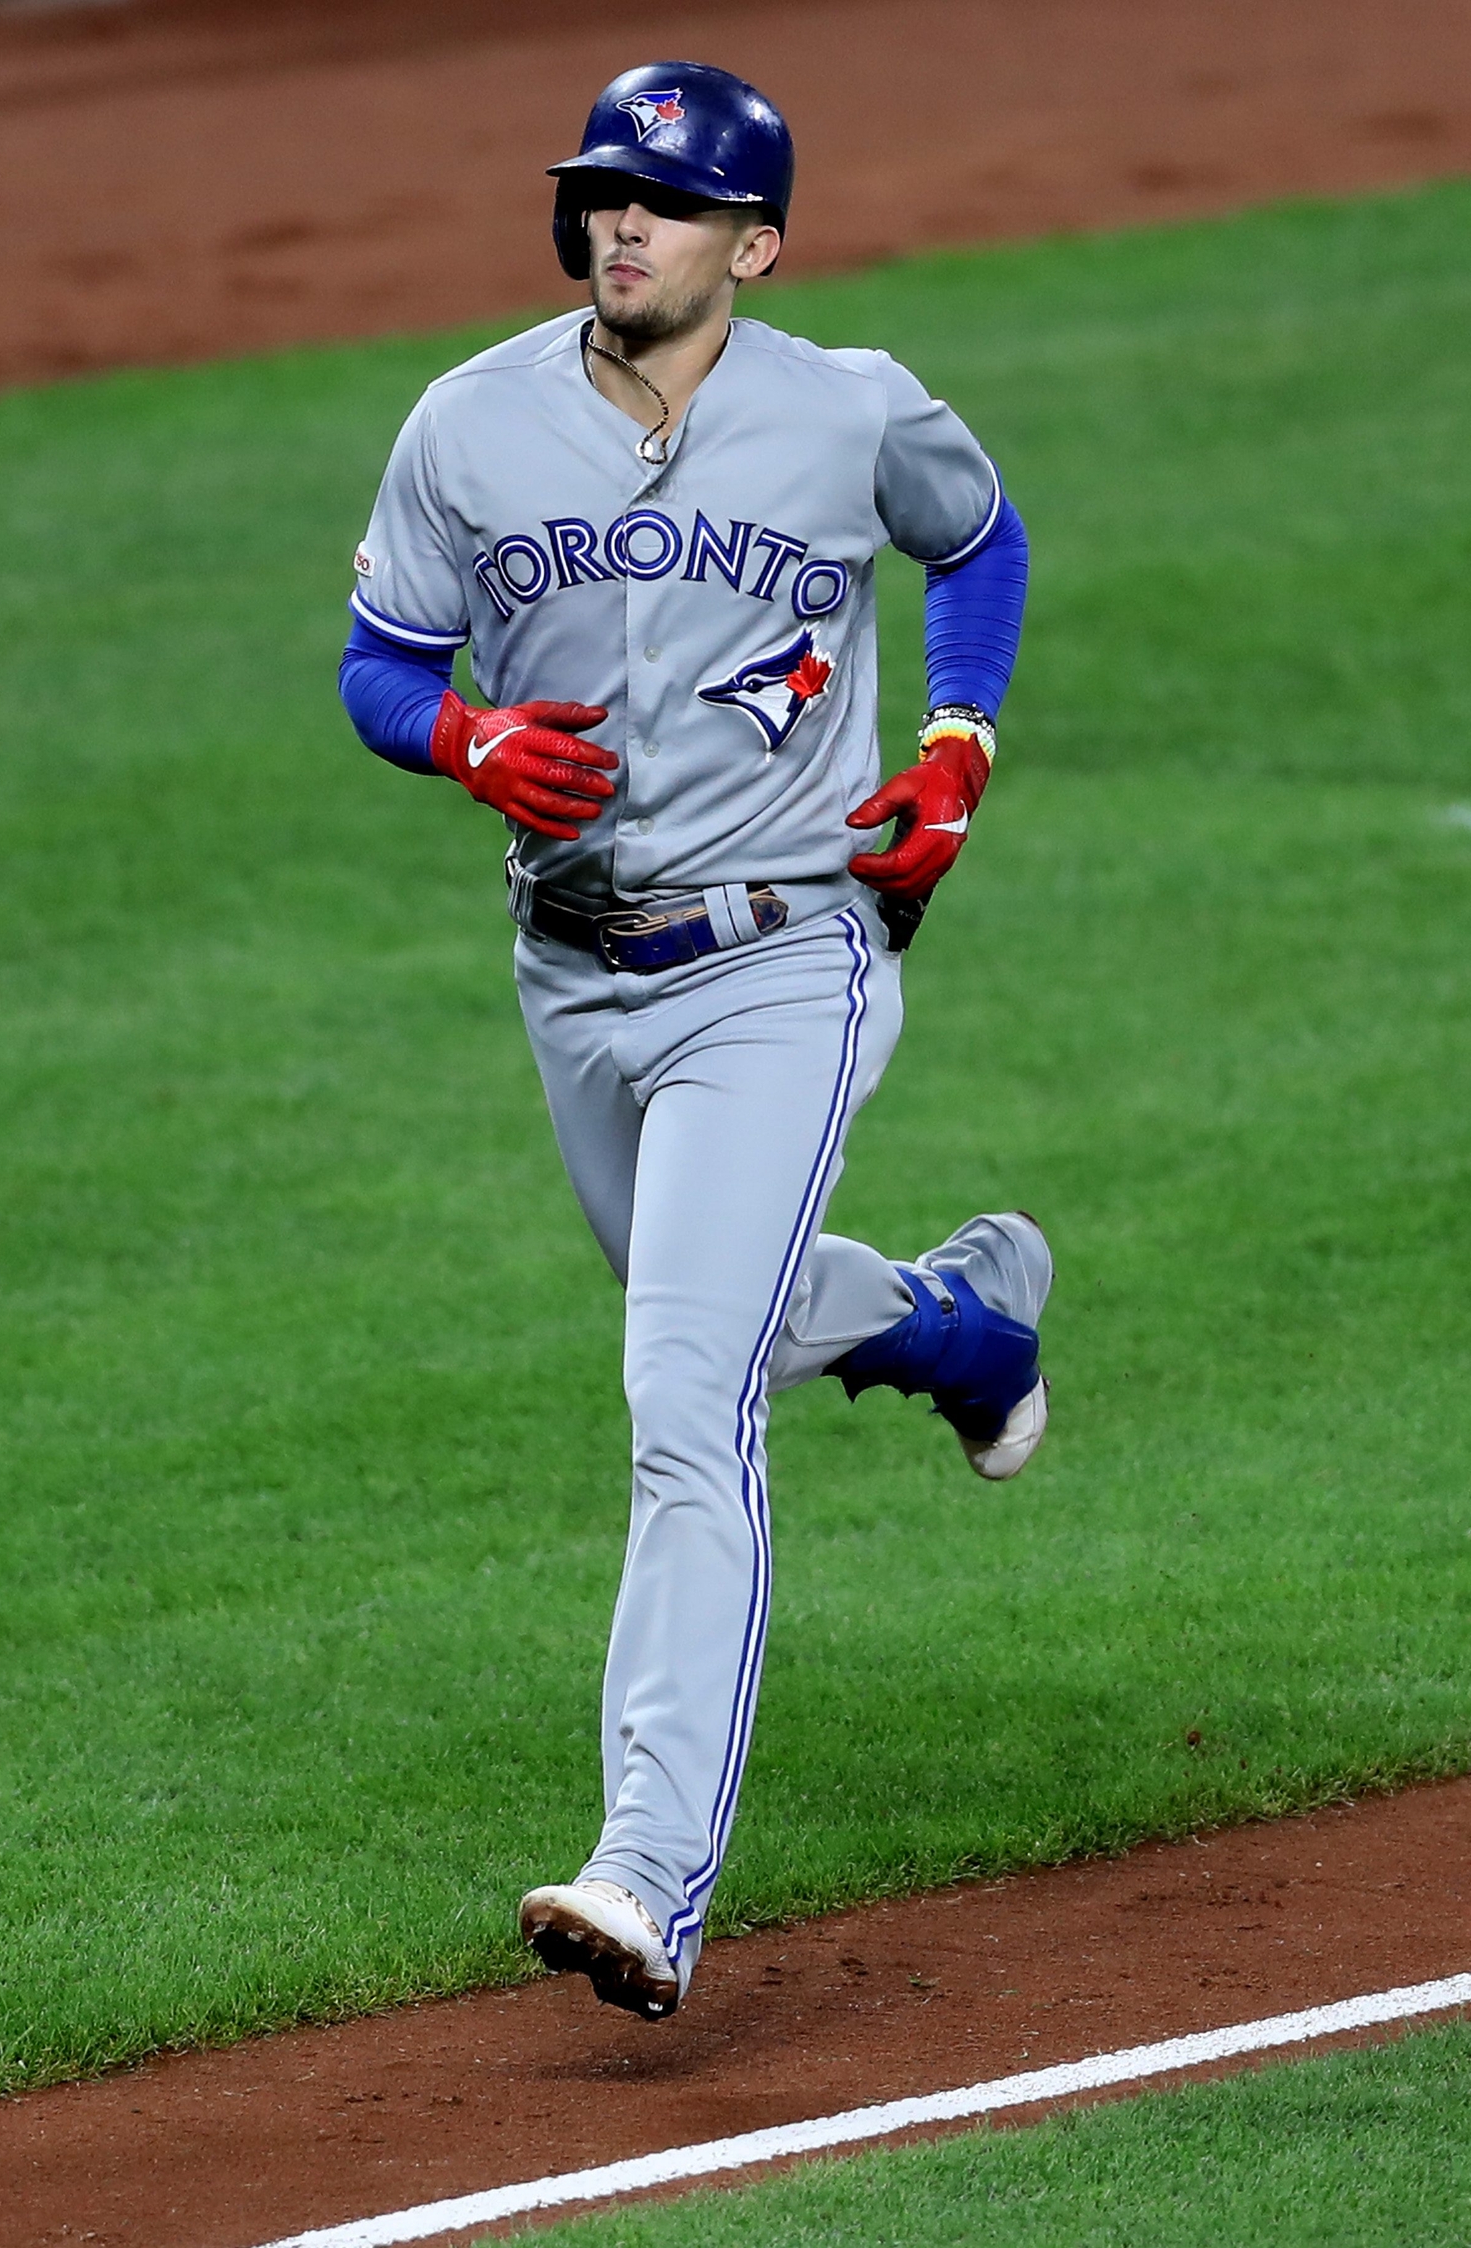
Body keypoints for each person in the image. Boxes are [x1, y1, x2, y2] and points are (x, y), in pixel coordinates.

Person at [337, 60, 1046, 2022]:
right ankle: (957, 1322)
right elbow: (381, 662)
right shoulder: (467, 426)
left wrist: (958, 741)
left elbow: (975, 539)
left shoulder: (847, 409)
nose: (616, 226)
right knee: (697, 1297)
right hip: (570, 971)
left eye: (659, 202)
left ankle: (649, 1866)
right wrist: (462, 736)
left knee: (682, 1393)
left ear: (757, 242)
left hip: (784, 960)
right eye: (597, 194)